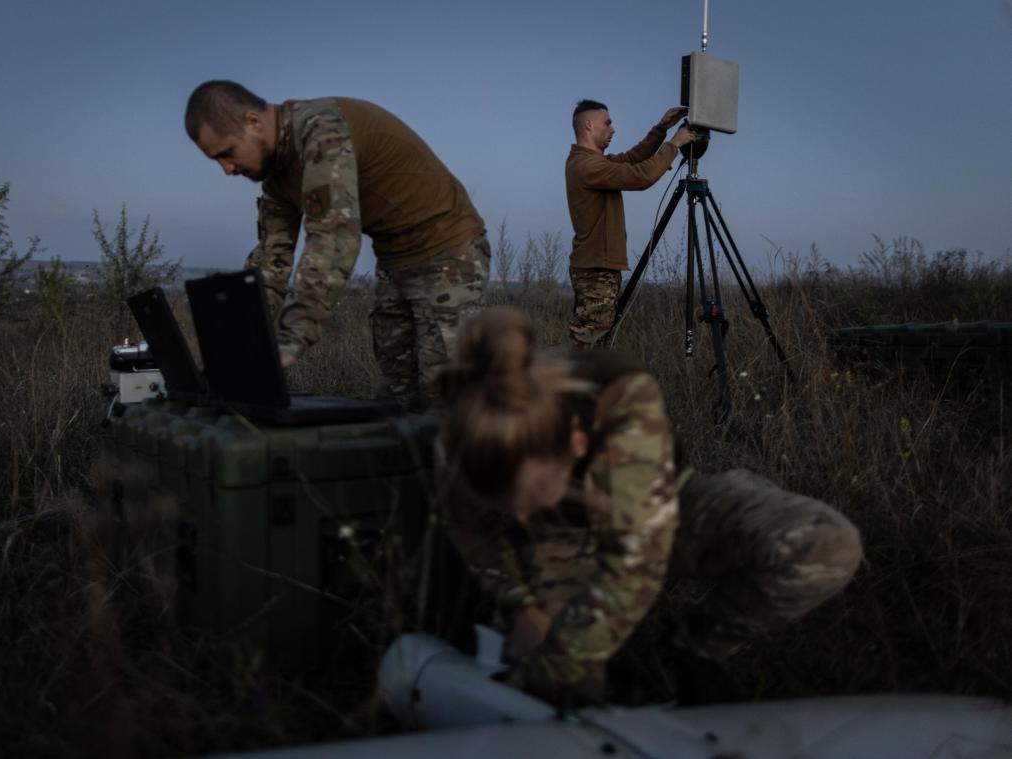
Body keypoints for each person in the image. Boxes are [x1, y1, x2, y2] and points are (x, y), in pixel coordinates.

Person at [437, 307, 863, 703]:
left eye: (532, 497)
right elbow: (471, 529)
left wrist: (555, 663)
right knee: (570, 695)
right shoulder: (472, 427)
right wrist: (522, 604)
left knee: (824, 545)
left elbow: (637, 558)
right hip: (560, 539)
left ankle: (693, 646)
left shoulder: (621, 392)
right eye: (505, 507)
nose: (519, 518)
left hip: (658, 506)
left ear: (576, 444)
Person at [184, 80, 489, 409]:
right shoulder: (276, 176)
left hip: (449, 253)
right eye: (216, 160)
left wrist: (292, 337)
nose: (226, 169)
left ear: (253, 121)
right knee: (398, 394)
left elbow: (334, 239)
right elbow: (271, 261)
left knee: (447, 397)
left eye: (227, 153)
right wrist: (234, 346)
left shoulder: (321, 132)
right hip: (394, 260)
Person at [565, 100, 698, 349]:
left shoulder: (593, 162)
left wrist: (661, 129)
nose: (613, 129)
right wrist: (674, 144)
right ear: (589, 125)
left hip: (597, 266)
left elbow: (633, 158)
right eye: (607, 123)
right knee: (588, 344)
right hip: (595, 269)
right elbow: (641, 176)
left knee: (593, 341)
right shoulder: (586, 166)